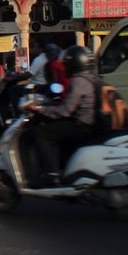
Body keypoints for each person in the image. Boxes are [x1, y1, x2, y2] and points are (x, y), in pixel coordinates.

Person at [28, 46, 96, 186]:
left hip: (82, 124)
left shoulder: (78, 81)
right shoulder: (92, 78)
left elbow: (65, 110)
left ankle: (51, 175)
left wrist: (41, 109)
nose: (65, 66)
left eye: (67, 63)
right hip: (91, 122)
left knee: (43, 132)